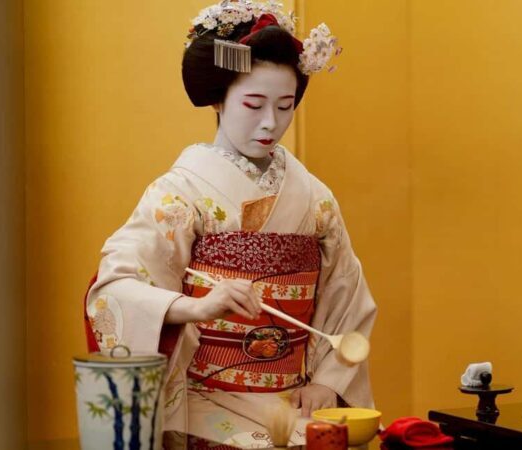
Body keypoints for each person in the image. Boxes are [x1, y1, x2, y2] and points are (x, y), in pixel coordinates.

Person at [83, 1, 377, 447]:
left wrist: (329, 381)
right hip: (205, 398)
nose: (270, 123)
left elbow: (346, 296)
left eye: (285, 106)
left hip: (294, 398)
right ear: (219, 98)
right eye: (254, 104)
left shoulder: (315, 198)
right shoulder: (180, 193)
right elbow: (116, 289)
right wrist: (196, 308)